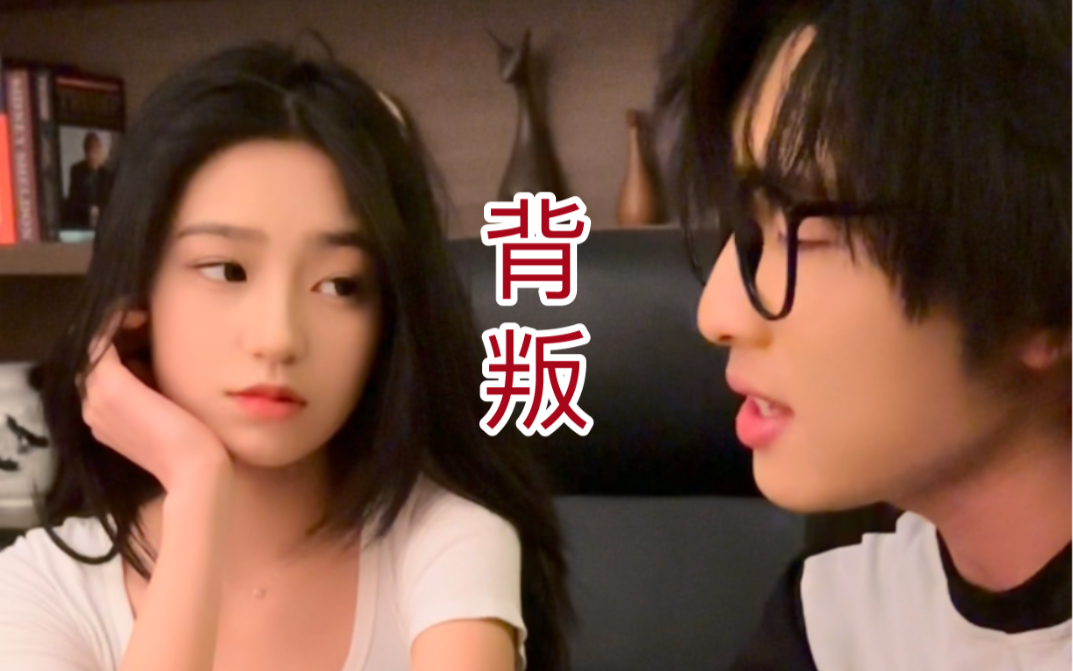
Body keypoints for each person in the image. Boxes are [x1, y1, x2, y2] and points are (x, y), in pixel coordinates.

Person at [0, 41, 570, 671]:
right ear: (138, 298)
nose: (278, 338)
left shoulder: (444, 543)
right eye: (227, 270)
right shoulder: (41, 587)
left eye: (339, 284)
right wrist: (196, 488)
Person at [657, 0, 1070, 669]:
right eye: (748, 230)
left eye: (800, 231)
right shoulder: (828, 623)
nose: (718, 313)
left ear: (1040, 291)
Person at [63, 131, 114, 229]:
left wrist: (99, 211)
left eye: (96, 152)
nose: (93, 156)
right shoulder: (76, 171)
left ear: (100, 152)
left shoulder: (107, 176)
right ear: (85, 152)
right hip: (81, 222)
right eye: (90, 151)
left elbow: (109, 204)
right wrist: (89, 210)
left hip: (102, 223)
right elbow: (73, 201)